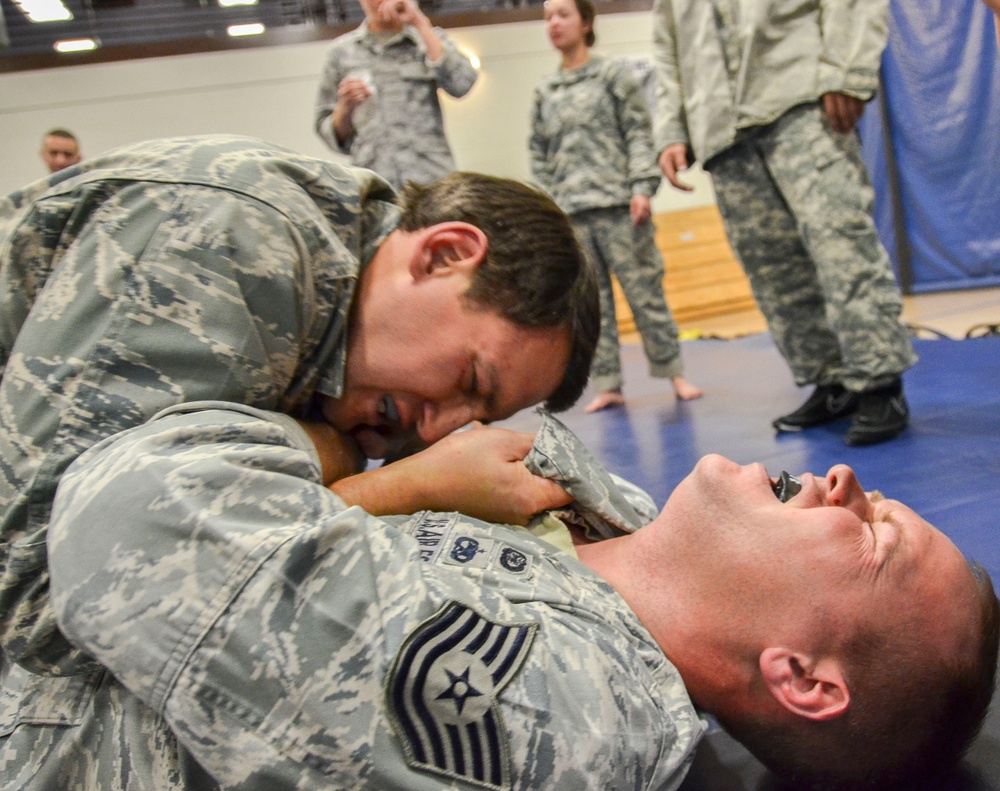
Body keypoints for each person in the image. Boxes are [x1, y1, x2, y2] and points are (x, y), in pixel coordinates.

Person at [11, 402, 994, 789]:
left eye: (871, 532)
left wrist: (377, 476)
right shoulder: (621, 521)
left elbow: (124, 515)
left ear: (803, 677)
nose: (846, 483)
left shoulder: (549, 716)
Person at [0, 132, 599, 760]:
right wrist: (383, 484)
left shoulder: (346, 318)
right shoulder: (230, 241)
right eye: (469, 381)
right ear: (443, 253)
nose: (435, 432)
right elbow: (47, 597)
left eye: (478, 416)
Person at [652, 0, 917, 446]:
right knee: (775, 272)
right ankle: (831, 383)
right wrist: (671, 131)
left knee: (841, 245)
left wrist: (848, 73)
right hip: (721, 129)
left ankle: (879, 382)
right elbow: (668, 52)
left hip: (798, 100)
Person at [530, 0, 702, 414]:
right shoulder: (545, 91)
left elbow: (638, 133)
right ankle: (608, 384)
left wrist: (642, 187)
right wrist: (550, 208)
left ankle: (674, 372)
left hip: (622, 208)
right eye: (548, 17)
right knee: (592, 306)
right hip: (572, 214)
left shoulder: (613, 76)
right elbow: (539, 155)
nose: (554, 23)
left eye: (563, 14)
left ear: (586, 22)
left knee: (645, 294)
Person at [313, 0, 477, 190]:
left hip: (431, 178)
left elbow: (462, 84)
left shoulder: (428, 37)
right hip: (376, 182)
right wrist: (345, 107)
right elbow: (327, 132)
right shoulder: (341, 53)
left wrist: (419, 23)